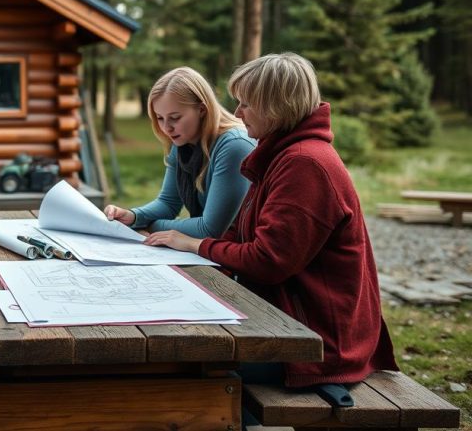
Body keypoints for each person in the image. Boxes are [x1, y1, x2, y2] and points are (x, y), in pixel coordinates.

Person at [145, 52, 397, 389]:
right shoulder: (281, 155)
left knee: (182, 367)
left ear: (276, 106)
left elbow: (267, 261)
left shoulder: (306, 165)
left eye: (246, 103)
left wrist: (195, 244)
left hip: (316, 341)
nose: (237, 113)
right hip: (283, 321)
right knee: (175, 347)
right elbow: (238, 234)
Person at [104, 66, 255, 239]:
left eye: (175, 118)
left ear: (202, 110)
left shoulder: (234, 146)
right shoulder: (182, 142)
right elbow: (168, 203)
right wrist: (133, 216)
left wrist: (152, 225)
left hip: (241, 256)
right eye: (160, 118)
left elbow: (210, 229)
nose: (167, 128)